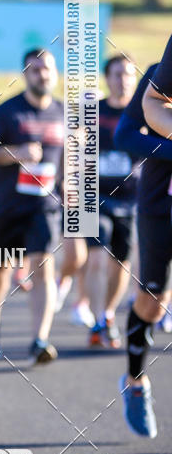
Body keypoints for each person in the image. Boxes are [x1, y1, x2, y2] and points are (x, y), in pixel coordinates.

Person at [0, 49, 64, 363]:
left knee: (44, 265)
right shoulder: (6, 113)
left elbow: (68, 157)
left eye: (47, 69)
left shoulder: (61, 113)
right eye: (35, 70)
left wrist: (69, 184)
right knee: (0, 270)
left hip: (44, 207)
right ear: (25, 74)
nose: (42, 74)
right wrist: (18, 153)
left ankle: (40, 339)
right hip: (6, 206)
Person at [114, 49, 172, 438]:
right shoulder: (157, 76)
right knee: (153, 300)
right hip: (159, 206)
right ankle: (135, 381)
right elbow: (124, 134)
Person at [83, 55, 139, 348]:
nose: (123, 80)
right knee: (96, 257)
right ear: (107, 78)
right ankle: (96, 320)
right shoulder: (93, 110)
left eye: (128, 74)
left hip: (130, 200)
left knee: (123, 262)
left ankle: (107, 313)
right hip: (94, 197)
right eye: (117, 74)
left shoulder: (141, 113)